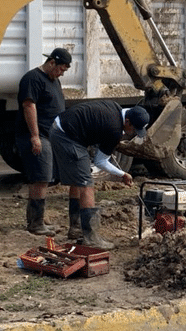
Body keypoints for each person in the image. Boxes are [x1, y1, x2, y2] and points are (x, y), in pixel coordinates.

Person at [49, 100, 148, 248]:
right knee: (87, 184)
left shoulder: (115, 107)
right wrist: (122, 174)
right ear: (127, 121)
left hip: (61, 127)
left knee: (79, 179)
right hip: (66, 135)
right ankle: (92, 238)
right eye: (133, 128)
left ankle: (76, 228)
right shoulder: (114, 129)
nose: (133, 132)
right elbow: (100, 162)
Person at [16, 48, 71, 236]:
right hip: (39, 136)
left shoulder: (53, 81)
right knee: (41, 177)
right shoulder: (33, 78)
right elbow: (29, 105)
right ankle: (36, 223)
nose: (61, 73)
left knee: (45, 177)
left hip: (51, 135)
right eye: (61, 69)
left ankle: (36, 220)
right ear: (52, 62)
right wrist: (35, 136)